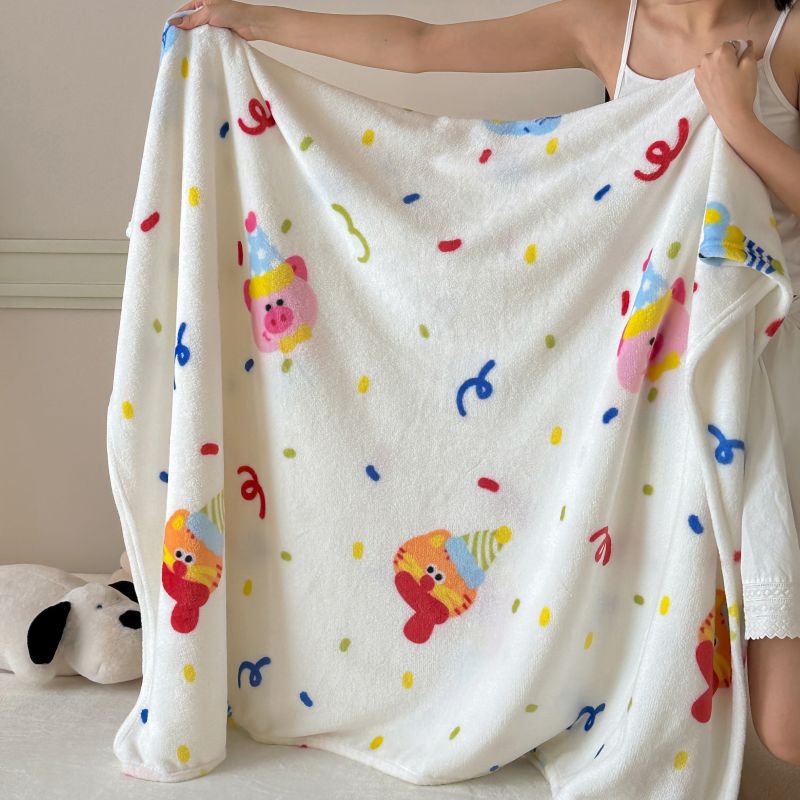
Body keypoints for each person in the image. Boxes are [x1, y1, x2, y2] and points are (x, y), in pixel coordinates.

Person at [172, 0, 800, 767]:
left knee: (784, 726)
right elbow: (420, 46)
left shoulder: (788, 40)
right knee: (726, 688)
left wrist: (738, 122)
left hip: (774, 366)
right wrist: (259, 23)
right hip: (658, 392)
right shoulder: (612, 26)